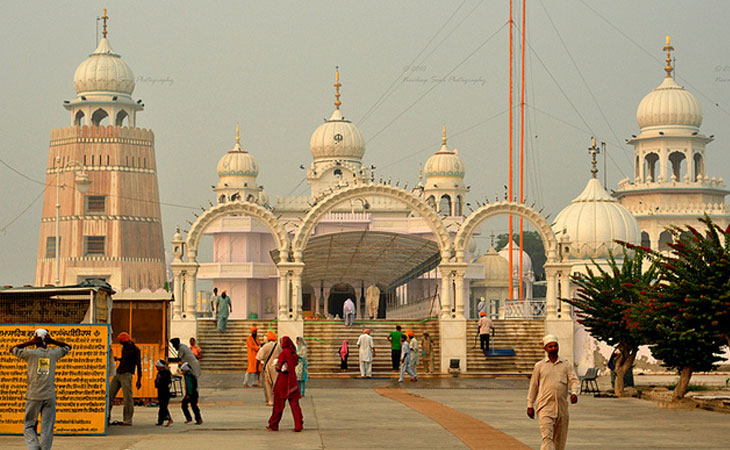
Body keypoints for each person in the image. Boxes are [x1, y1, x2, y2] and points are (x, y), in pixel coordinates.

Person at [11, 329, 71, 450]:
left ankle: (33, 447)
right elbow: (68, 347)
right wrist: (53, 341)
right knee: (47, 426)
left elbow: (13, 349)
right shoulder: (54, 353)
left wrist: (29, 343)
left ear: (35, 340)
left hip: (33, 396)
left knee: (29, 425)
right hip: (49, 396)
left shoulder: (30, 354)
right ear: (47, 340)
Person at [527, 334, 579, 450]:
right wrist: (530, 405)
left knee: (559, 441)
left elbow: (574, 380)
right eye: (550, 347)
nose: (553, 348)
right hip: (545, 407)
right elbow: (534, 386)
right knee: (547, 438)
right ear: (545, 349)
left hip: (562, 408)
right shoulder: (539, 366)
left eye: (555, 346)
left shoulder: (566, 365)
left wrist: (574, 393)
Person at [266, 336, 304, 432]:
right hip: (292, 381)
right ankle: (298, 424)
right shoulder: (293, 353)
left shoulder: (284, 353)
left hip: (283, 381)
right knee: (295, 405)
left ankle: (273, 424)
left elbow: (278, 367)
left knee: (278, 405)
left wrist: (277, 366)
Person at [109, 332, 142, 425]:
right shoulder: (125, 348)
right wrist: (118, 359)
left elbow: (139, 365)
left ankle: (127, 420)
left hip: (126, 375)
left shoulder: (135, 350)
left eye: (120, 342)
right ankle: (106, 417)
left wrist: (139, 380)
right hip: (118, 373)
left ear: (124, 341)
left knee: (127, 398)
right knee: (109, 395)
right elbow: (125, 360)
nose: (120, 343)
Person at [256, 331, 281, 406]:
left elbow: (259, 357)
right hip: (276, 367)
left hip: (267, 367)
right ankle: (278, 400)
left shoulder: (265, 346)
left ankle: (271, 401)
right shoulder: (278, 346)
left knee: (268, 384)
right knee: (276, 384)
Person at [154, 359, 173, 427]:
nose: (156, 368)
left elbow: (164, 382)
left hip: (164, 391)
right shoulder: (161, 372)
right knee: (162, 406)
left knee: (163, 406)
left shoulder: (165, 373)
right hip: (161, 391)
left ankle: (169, 419)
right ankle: (160, 421)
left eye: (157, 366)